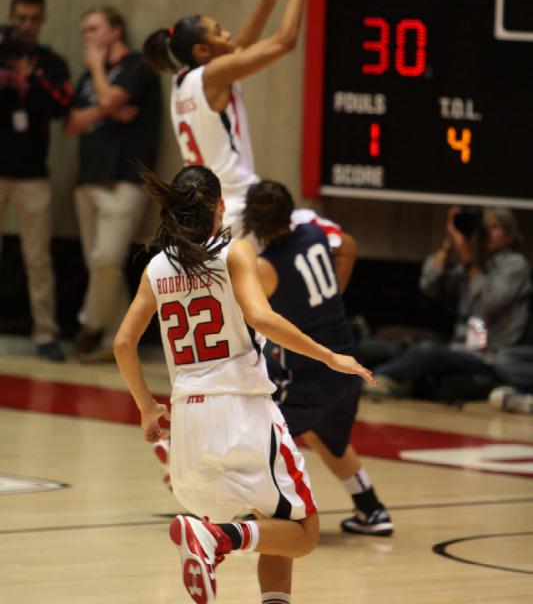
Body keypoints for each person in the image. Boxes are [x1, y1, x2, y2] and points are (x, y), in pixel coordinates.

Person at [113, 164, 374, 604]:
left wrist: (146, 408)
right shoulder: (233, 253)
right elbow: (261, 318)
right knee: (304, 533)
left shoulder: (156, 268)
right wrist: (329, 355)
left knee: (273, 520)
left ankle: (224, 542)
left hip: (189, 421)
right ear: (219, 208)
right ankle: (217, 538)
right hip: (241, 410)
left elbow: (124, 342)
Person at [243, 179, 393, 537]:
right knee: (329, 437)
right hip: (346, 367)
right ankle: (371, 509)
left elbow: (254, 314)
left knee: (262, 437)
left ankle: (272, 516)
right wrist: (329, 299)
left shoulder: (266, 268)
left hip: (309, 375)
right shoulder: (315, 232)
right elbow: (350, 246)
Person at [143, 0, 319, 237]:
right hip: (239, 209)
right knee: (337, 245)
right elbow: (285, 41)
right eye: (217, 31)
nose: (227, 33)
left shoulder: (184, 81)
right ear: (202, 51)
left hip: (214, 209)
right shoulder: (212, 76)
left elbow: (236, 50)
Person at [64, 6, 161, 363]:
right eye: (83, 31)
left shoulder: (137, 65)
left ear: (115, 31)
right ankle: (115, 339)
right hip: (87, 178)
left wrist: (99, 80)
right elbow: (71, 124)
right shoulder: (90, 76)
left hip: (124, 179)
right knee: (101, 266)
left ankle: (88, 325)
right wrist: (108, 109)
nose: (87, 37)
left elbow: (110, 100)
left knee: (106, 258)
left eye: (93, 29)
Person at [369, 206, 531, 402]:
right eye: (483, 227)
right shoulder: (474, 264)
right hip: (459, 348)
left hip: (489, 356)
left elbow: (487, 304)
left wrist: (468, 259)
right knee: (396, 346)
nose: (486, 232)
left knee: (428, 351)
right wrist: (449, 243)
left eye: (494, 227)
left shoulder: (514, 265)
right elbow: (429, 286)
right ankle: (384, 379)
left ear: (510, 234)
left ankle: (368, 379)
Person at [0, 0, 72, 361]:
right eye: (20, 18)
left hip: (32, 174)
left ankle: (45, 333)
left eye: (33, 19)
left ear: (42, 20)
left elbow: (63, 107)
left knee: (37, 258)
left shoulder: (50, 62)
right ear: (11, 17)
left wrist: (31, 82)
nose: (26, 26)